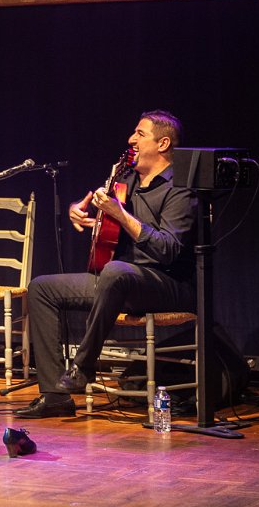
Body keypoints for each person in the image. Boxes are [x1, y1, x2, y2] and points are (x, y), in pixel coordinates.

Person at [14, 110, 197, 419]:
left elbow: (168, 250)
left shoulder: (180, 188)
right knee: (42, 288)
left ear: (163, 143)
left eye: (140, 133)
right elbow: (100, 210)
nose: (131, 139)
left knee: (115, 271)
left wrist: (121, 215)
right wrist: (78, 209)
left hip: (167, 284)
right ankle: (55, 395)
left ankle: (83, 365)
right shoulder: (125, 179)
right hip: (120, 280)